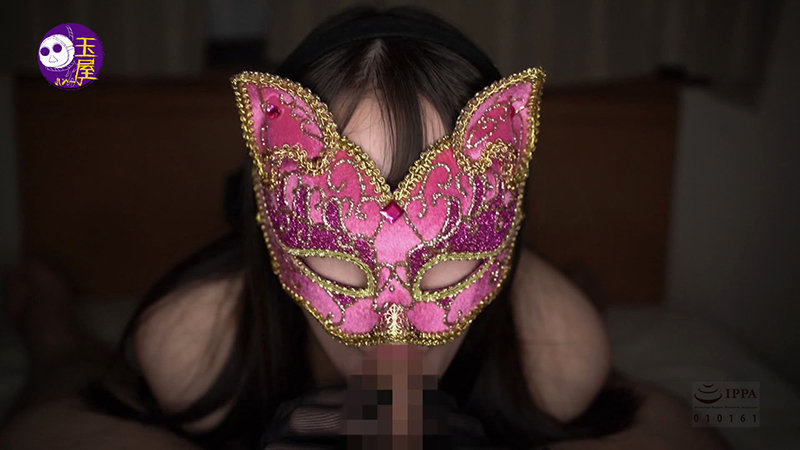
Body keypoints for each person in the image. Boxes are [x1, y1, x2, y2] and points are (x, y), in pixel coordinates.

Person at [0, 6, 728, 450]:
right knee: (69, 364)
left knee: (567, 360)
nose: (393, 333)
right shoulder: (192, 346)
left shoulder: (561, 359)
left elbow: (691, 421)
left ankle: (572, 284)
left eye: (445, 260)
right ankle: (53, 319)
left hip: (532, 323)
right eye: (341, 262)